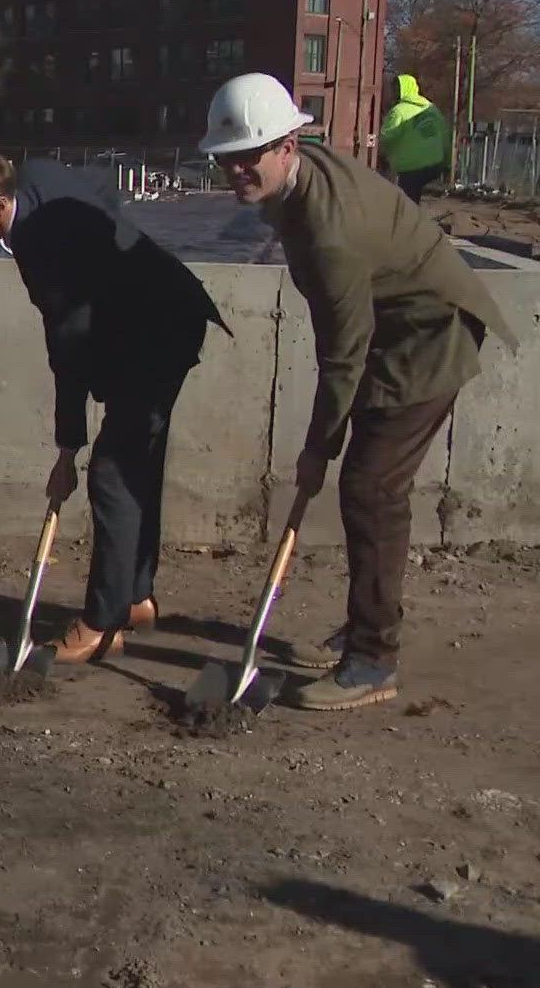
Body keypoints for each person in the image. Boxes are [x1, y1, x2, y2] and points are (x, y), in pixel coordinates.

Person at [202, 73, 516, 710]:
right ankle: (365, 625)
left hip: (428, 339)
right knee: (367, 485)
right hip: (390, 330)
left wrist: (319, 446)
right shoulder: (297, 177)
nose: (235, 169)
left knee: (371, 488)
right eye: (226, 159)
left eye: (247, 155)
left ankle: (373, 658)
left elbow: (342, 351)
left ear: (288, 145)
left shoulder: (330, 230)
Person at [0, 149, 227, 663]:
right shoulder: (39, 176)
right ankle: (135, 596)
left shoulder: (38, 245)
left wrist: (68, 444)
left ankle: (103, 620)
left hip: (155, 333)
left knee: (112, 476)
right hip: (150, 320)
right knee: (138, 463)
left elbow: (66, 344)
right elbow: (104, 190)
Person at [378, 74, 451, 203]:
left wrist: (381, 156)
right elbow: (445, 135)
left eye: (396, 89)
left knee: (407, 198)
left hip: (411, 166)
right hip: (435, 163)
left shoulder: (398, 111)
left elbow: (386, 137)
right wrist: (446, 161)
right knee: (414, 195)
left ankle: (410, 220)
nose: (394, 93)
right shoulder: (432, 109)